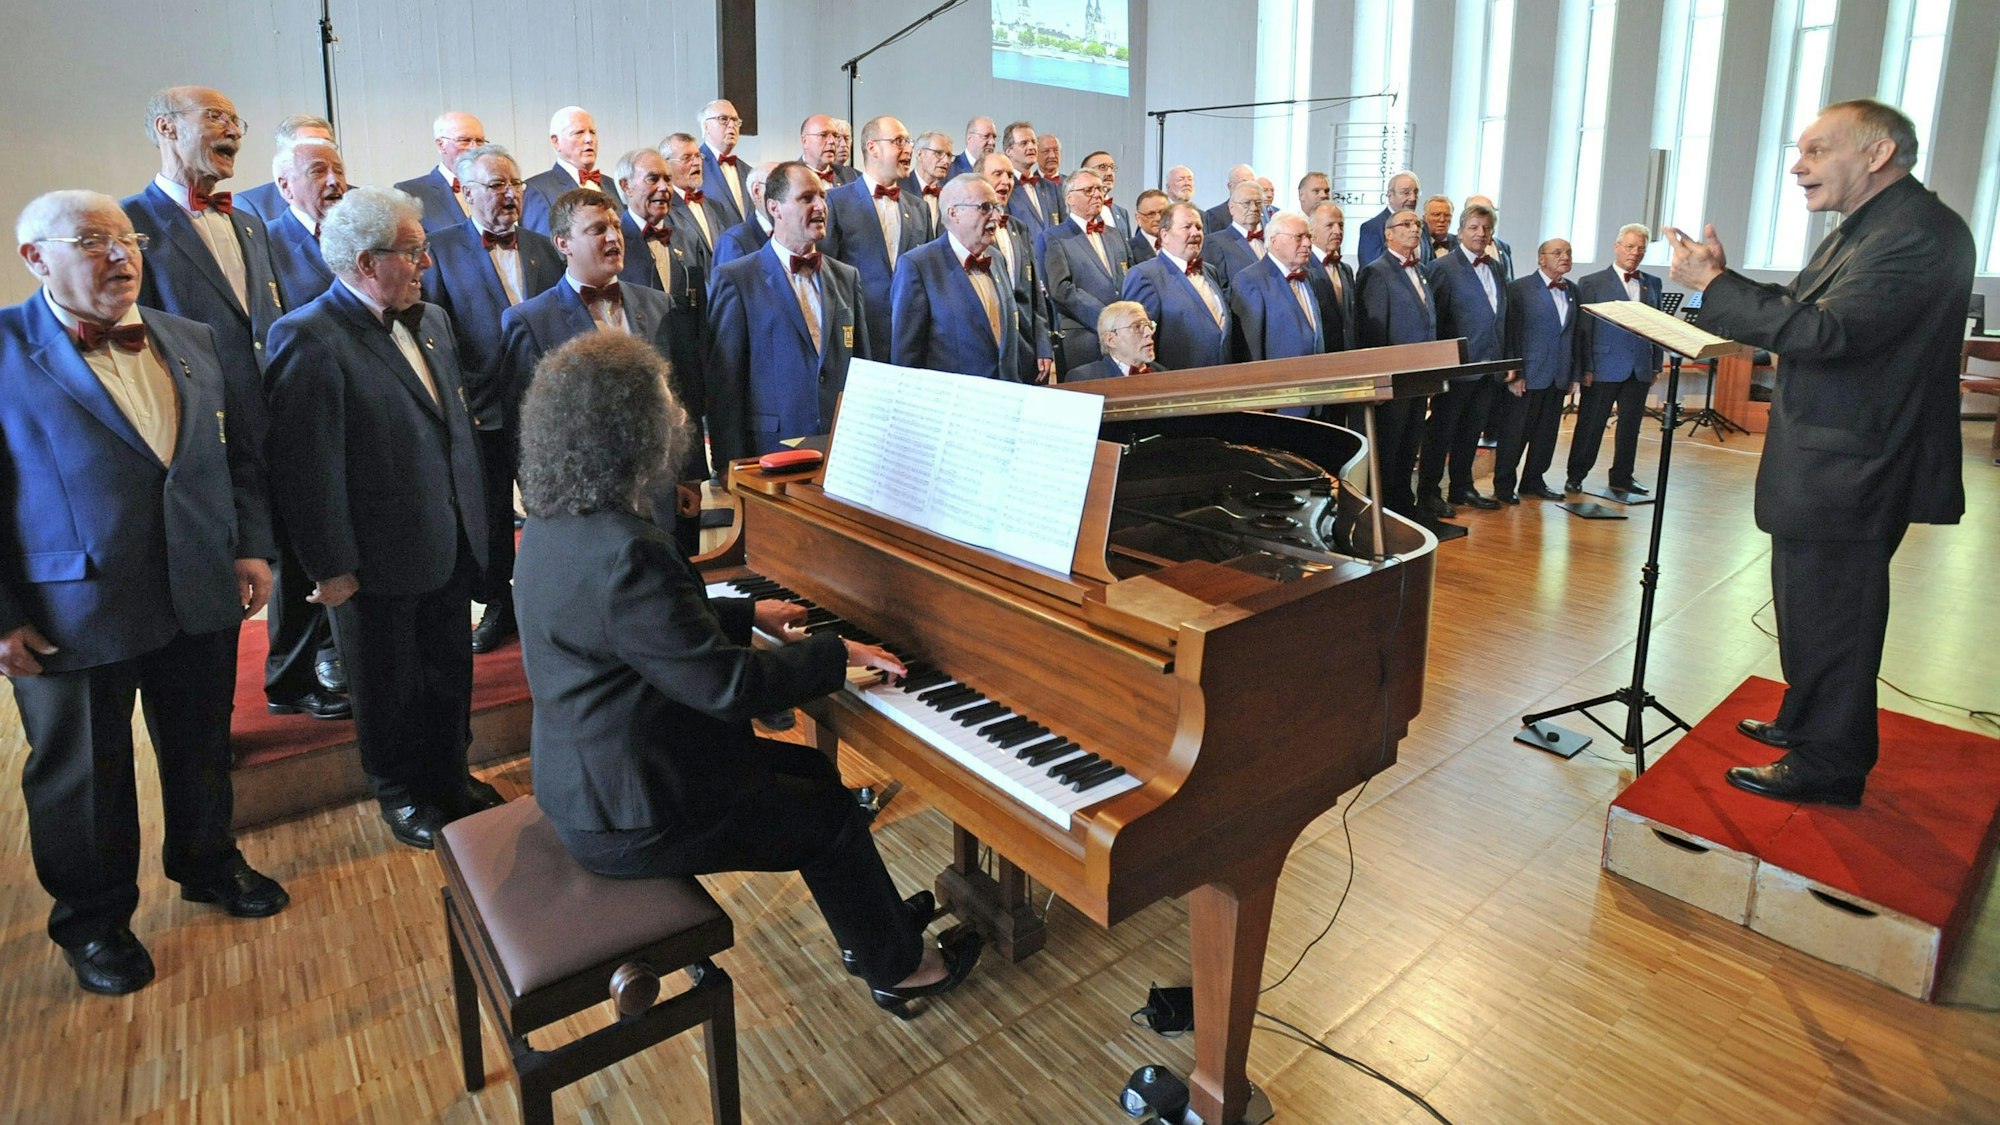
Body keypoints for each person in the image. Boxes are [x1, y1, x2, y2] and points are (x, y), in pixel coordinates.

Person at [512, 331, 981, 1016]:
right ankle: (900, 967)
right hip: (633, 813)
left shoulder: (557, 525)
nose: (675, 414)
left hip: (596, 778)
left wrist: (745, 614)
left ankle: (873, 933)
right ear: (632, 431)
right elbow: (728, 689)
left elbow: (640, 637)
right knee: (824, 816)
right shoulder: (629, 553)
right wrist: (836, 654)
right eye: (663, 404)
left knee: (819, 777)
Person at [3, 190, 288, 995]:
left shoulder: (188, 338)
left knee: (200, 743)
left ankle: (207, 861)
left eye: (127, 238)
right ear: (36, 258)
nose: (122, 255)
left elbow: (234, 460)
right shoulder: (1, 347)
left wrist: (252, 546)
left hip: (197, 582)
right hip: (71, 607)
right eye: (93, 241)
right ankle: (93, 921)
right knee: (84, 774)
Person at [1666, 98, 1971, 807]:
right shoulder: (1868, 226)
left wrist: (1714, 287)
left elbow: (1828, 335)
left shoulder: (1917, 234)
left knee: (1836, 617)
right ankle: (1805, 720)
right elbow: (1805, 306)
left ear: (1876, 153)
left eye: (1815, 150)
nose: (1797, 166)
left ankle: (1828, 763)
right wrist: (1728, 281)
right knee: (1806, 607)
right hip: (1831, 461)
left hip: (1855, 466)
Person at [264, 186, 496, 851]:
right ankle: (399, 792)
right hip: (371, 557)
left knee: (449, 670)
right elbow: (306, 471)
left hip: (446, 538)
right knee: (387, 684)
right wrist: (330, 568)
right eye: (414, 252)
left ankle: (451, 776)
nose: (425, 263)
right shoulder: (307, 336)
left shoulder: (432, 320)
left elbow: (453, 431)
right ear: (367, 262)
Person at [122, 87, 322, 715]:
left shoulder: (248, 221)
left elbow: (267, 314)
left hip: (268, 411)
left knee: (289, 547)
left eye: (236, 120)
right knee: (221, 568)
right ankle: (206, 715)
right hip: (195, 428)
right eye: (215, 118)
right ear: (165, 128)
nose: (232, 129)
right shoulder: (132, 224)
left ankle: (293, 677)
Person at [425, 144, 564, 652]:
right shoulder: (438, 248)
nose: (510, 195)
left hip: (542, 405)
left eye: (515, 184)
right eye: (496, 185)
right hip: (476, 407)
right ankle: (497, 604)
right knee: (487, 518)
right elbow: (432, 330)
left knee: (551, 505)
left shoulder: (545, 246)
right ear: (465, 192)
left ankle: (550, 598)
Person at [707, 162, 867, 464]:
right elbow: (724, 385)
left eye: (822, 196)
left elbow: (862, 367)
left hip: (841, 450)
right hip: (769, 452)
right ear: (774, 208)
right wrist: (729, 462)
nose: (821, 205)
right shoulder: (737, 279)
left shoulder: (847, 277)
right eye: (806, 198)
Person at [890, 174, 1032, 382]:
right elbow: (906, 358)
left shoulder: (996, 258)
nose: (995, 217)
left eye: (996, 208)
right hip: (952, 405)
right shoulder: (918, 265)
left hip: (1003, 399)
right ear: (954, 213)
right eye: (984, 208)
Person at [1418, 202, 1507, 515]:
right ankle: (1429, 492)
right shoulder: (1443, 268)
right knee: (1441, 432)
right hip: (1455, 368)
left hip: (1487, 367)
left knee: (1472, 431)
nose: (1480, 233)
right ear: (1461, 231)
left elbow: (1499, 317)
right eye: (1473, 227)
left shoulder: (1496, 267)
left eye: (1486, 228)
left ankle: (1462, 487)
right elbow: (1435, 320)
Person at [1565, 223, 1662, 496]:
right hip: (1602, 366)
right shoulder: (1592, 282)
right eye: (1630, 247)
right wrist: (1585, 367)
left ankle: (1622, 477)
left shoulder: (1652, 283)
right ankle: (1576, 475)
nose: (1635, 253)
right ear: (1616, 247)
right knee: (1591, 424)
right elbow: (1584, 331)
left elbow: (1658, 325)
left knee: (1630, 428)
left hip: (1639, 367)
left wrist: (1655, 363)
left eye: (1640, 248)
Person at [823, 116, 928, 364]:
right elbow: (828, 275)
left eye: (909, 142)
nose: (909, 149)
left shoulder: (919, 207)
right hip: (861, 335)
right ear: (872, 148)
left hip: (911, 338)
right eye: (899, 141)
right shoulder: (836, 202)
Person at [1355, 209, 1436, 520]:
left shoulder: (1422, 270)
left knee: (1410, 443)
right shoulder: (1377, 272)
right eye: (1405, 224)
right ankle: (1385, 509)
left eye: (1417, 224)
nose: (1414, 229)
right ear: (1388, 234)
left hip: (1419, 375)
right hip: (1393, 377)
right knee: (1390, 444)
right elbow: (1373, 331)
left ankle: (1404, 505)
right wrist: (1379, 378)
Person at [1493, 239, 1579, 504]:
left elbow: (1575, 335)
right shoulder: (1519, 289)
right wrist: (1515, 372)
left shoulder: (1573, 290)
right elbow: (1511, 332)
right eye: (1557, 253)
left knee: (1546, 434)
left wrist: (1574, 374)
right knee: (1514, 433)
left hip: (1558, 374)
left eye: (1568, 253)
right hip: (1528, 375)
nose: (1564, 257)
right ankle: (1504, 485)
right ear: (1541, 258)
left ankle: (1534, 480)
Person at [1038, 169, 1132, 373]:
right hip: (1083, 337)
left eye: (1100, 189)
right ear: (1070, 198)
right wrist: (1106, 317)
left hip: (1124, 337)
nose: (1098, 194)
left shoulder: (1115, 235)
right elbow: (1060, 289)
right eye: (1089, 190)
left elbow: (1128, 277)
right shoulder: (1054, 237)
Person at [1227, 211, 1331, 393]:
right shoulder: (1250, 280)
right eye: (1299, 237)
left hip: (1316, 393)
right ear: (1274, 241)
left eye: (1308, 237)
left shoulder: (1310, 277)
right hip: (1278, 398)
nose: (1307, 243)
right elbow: (1249, 349)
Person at [975, 154, 1056, 384]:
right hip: (988, 348)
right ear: (979, 180)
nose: (1006, 181)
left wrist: (1043, 345)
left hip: (1025, 348)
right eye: (998, 174)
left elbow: (1034, 295)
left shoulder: (1019, 228)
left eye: (1010, 175)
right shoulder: (966, 230)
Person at [1121, 201, 1229, 371]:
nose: (1195, 233)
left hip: (1221, 376)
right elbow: (1137, 340)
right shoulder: (1145, 275)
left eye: (1199, 227)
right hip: (1176, 381)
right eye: (1187, 227)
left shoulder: (1210, 271)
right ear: (1164, 235)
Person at [263, 138, 347, 306]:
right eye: (318, 171)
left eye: (338, 171)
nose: (334, 181)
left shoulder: (361, 232)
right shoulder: (265, 241)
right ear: (286, 186)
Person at [523, 106, 624, 237]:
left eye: (593, 132)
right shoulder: (536, 190)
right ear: (556, 141)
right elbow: (542, 248)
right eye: (579, 133)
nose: (589, 139)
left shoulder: (612, 184)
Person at [396, 112, 487, 232]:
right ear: (441, 145)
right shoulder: (410, 193)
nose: (474, 148)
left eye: (480, 141)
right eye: (464, 140)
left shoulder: (497, 188)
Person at [237, 114, 335, 221]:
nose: (324, 151)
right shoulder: (253, 205)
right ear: (285, 154)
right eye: (311, 144)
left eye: (328, 145)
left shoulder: (353, 196)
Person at [1067, 300, 1162, 382]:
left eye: (1149, 325)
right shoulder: (1084, 379)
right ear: (1111, 340)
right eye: (1136, 327)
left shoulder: (1165, 374)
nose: (1149, 332)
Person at [1308, 202, 1358, 351]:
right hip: (1320, 356)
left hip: (1347, 353)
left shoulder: (1345, 269)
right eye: (1329, 225)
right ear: (1311, 231)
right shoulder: (1304, 269)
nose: (1337, 231)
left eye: (1341, 225)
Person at [1202, 180, 1266, 291]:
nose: (1254, 208)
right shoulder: (1215, 243)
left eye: (1258, 203)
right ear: (1231, 208)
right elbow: (1218, 291)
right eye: (1246, 203)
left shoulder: (1272, 240)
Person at [713, 160, 778, 267]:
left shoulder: (797, 234)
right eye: (778, 187)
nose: (787, 194)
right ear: (757, 191)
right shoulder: (734, 241)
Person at [697, 99, 749, 227]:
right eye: (723, 119)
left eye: (735, 120)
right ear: (706, 127)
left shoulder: (748, 170)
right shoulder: (695, 166)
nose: (731, 125)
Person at [1001, 123, 1057, 235]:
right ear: (1008, 151)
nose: (1031, 147)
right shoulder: (1004, 188)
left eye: (1034, 142)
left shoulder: (1050, 187)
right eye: (1024, 143)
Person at [1356, 170, 1420, 267]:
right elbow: (1372, 269)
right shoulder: (1372, 228)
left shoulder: (1422, 227)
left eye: (1416, 192)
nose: (1413, 198)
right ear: (1390, 195)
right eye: (1406, 193)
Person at [904, 133, 955, 238]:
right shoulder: (900, 188)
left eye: (949, 156)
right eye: (938, 153)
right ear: (920, 154)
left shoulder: (950, 196)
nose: (946, 161)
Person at [1080, 152, 1131, 240]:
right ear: (1086, 173)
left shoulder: (1122, 213)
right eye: (1102, 167)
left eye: (1112, 168)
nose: (1109, 173)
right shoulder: (1077, 210)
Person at [1203, 164, 1257, 232]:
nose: (1249, 187)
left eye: (1252, 183)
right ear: (1230, 186)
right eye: (1244, 183)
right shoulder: (1216, 215)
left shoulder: (1262, 212)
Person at [1129, 188, 1168, 265]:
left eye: (1163, 212)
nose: (1158, 218)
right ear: (1138, 218)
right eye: (1151, 214)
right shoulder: (1129, 250)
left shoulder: (1180, 245)